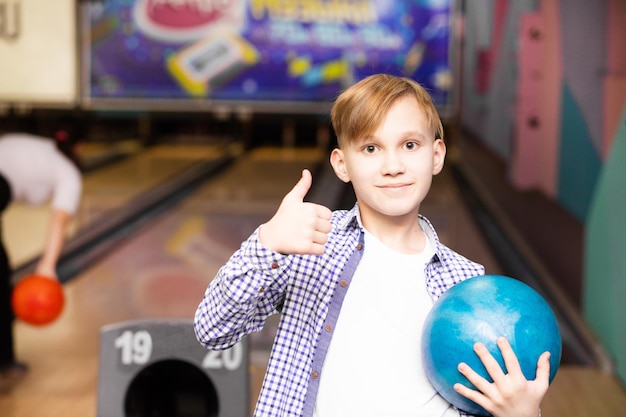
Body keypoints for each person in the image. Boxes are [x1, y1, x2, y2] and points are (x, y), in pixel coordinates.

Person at [194, 74, 551, 417]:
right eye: (370, 148)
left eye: (410, 145)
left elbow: (481, 398)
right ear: (341, 164)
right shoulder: (311, 246)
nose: (393, 166)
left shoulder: (468, 283)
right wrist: (266, 242)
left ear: (436, 155)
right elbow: (213, 329)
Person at [0, 116, 83, 381]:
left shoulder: (40, 148)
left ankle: (5, 359)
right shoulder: (68, 173)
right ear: (79, 148)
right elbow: (59, 221)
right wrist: (47, 267)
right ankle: (5, 360)